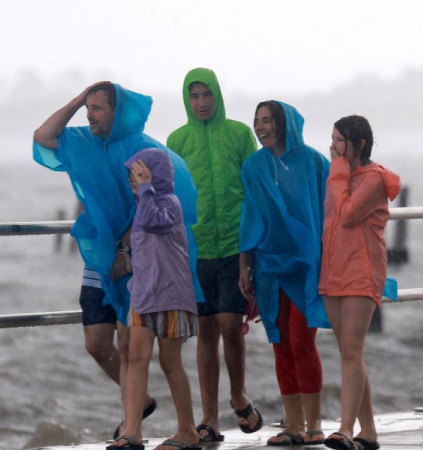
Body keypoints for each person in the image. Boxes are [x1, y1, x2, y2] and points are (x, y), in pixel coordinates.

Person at [33, 82, 202, 439]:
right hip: (99, 256)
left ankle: (132, 428)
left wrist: (125, 250)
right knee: (97, 343)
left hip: (142, 264)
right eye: (88, 108)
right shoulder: (82, 141)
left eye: (98, 108)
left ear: (117, 111)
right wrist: (78, 99)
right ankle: (138, 408)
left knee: (133, 347)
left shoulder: (144, 148)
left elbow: (172, 199)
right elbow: (43, 135)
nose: (90, 115)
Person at [166, 68, 261, 442]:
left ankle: (238, 394)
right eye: (195, 97)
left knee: (229, 326)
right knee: (205, 331)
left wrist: (250, 250)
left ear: (218, 95)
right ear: (187, 100)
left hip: (234, 248)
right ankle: (209, 418)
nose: (202, 103)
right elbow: (169, 193)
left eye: (207, 95)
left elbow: (253, 191)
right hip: (196, 248)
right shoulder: (177, 139)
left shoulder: (239, 134)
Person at [238, 100, 329, 446]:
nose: (260, 127)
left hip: (306, 264)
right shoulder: (253, 166)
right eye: (257, 121)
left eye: (267, 121)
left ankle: (314, 424)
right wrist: (244, 266)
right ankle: (293, 426)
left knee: (301, 341)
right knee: (280, 345)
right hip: (268, 266)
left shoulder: (312, 161)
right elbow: (250, 217)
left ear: (284, 123)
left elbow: (328, 211)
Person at [108, 149, 201, 450]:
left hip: (170, 294)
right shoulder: (143, 204)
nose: (133, 183)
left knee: (170, 361)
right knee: (135, 358)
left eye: (138, 175)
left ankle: (187, 431)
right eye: (133, 177)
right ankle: (131, 430)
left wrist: (146, 187)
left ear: (154, 175)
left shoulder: (169, 203)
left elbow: (150, 220)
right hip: (144, 294)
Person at [319, 116, 401, 450]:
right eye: (333, 139)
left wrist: (338, 172)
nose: (334, 146)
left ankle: (345, 429)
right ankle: (368, 430)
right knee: (349, 351)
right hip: (333, 269)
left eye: (340, 141)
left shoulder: (374, 179)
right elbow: (330, 220)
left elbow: (350, 212)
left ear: (360, 144)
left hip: (362, 271)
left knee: (352, 351)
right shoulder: (337, 175)